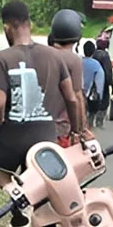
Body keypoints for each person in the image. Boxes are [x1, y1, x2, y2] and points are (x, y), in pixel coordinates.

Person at [0, 1, 83, 227]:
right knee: (39, 177)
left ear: (7, 27)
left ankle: (15, 193)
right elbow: (72, 98)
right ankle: (41, 218)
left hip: (13, 134)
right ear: (29, 23)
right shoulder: (55, 56)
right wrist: (76, 131)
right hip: (45, 135)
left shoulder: (2, 59)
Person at [49, 9, 89, 145]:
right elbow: (77, 97)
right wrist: (81, 130)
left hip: (40, 127)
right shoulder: (74, 60)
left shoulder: (42, 55)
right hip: (63, 129)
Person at [82, 41, 108, 128]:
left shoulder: (78, 62)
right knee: (90, 115)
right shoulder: (97, 65)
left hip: (79, 93)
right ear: (93, 51)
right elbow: (99, 82)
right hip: (91, 96)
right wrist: (99, 96)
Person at [92, 38, 113, 128]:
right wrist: (111, 83)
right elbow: (108, 70)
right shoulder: (105, 56)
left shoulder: (93, 54)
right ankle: (99, 121)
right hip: (104, 81)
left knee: (94, 100)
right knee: (105, 102)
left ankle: (91, 119)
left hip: (94, 81)